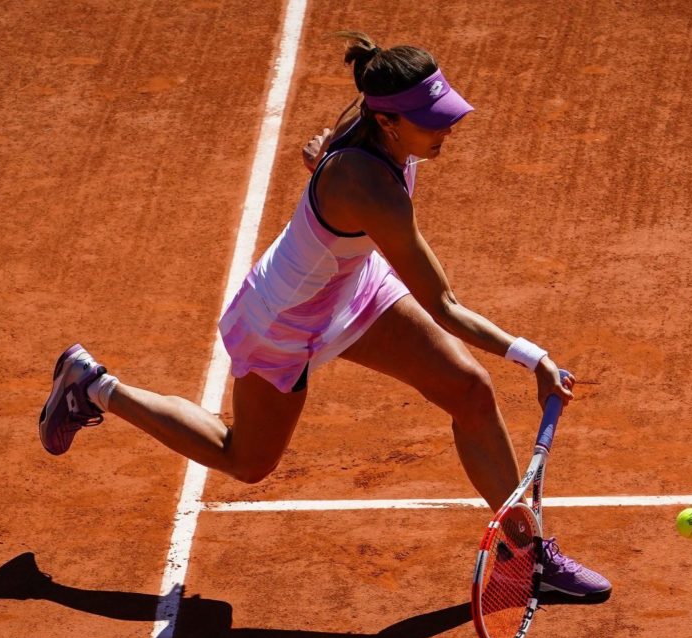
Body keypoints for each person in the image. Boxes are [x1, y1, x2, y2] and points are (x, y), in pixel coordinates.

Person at [39, 32, 609, 597]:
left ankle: (526, 556)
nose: (446, 129)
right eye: (431, 120)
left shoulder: (374, 135)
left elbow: (324, 156)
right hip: (283, 319)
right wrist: (532, 357)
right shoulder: (370, 189)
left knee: (468, 389)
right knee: (245, 459)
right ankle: (96, 387)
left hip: (350, 286)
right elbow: (445, 306)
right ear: (387, 122)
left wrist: (320, 161)